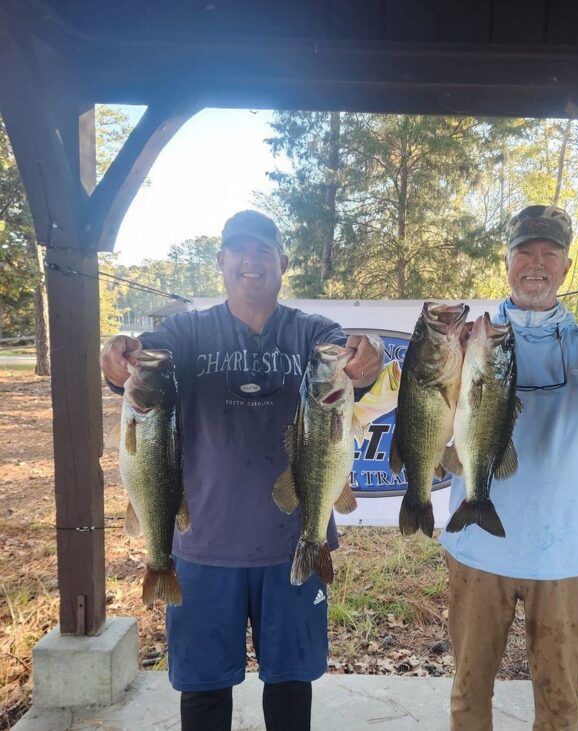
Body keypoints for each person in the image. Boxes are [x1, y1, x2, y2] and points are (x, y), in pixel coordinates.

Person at [100, 210, 384, 731]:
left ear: (283, 262)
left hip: (293, 542)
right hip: (201, 545)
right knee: (204, 691)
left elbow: (354, 357)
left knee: (290, 686)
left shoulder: (311, 333)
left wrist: (370, 356)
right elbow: (144, 359)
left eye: (262, 250)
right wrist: (119, 358)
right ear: (221, 260)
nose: (250, 260)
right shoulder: (188, 331)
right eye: (239, 249)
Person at [439, 204, 578, 731]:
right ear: (506, 262)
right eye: (524, 252)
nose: (536, 263)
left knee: (560, 705)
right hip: (478, 549)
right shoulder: (467, 340)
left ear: (567, 265)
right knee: (468, 693)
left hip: (565, 558)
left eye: (549, 253)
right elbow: (426, 410)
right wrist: (445, 357)